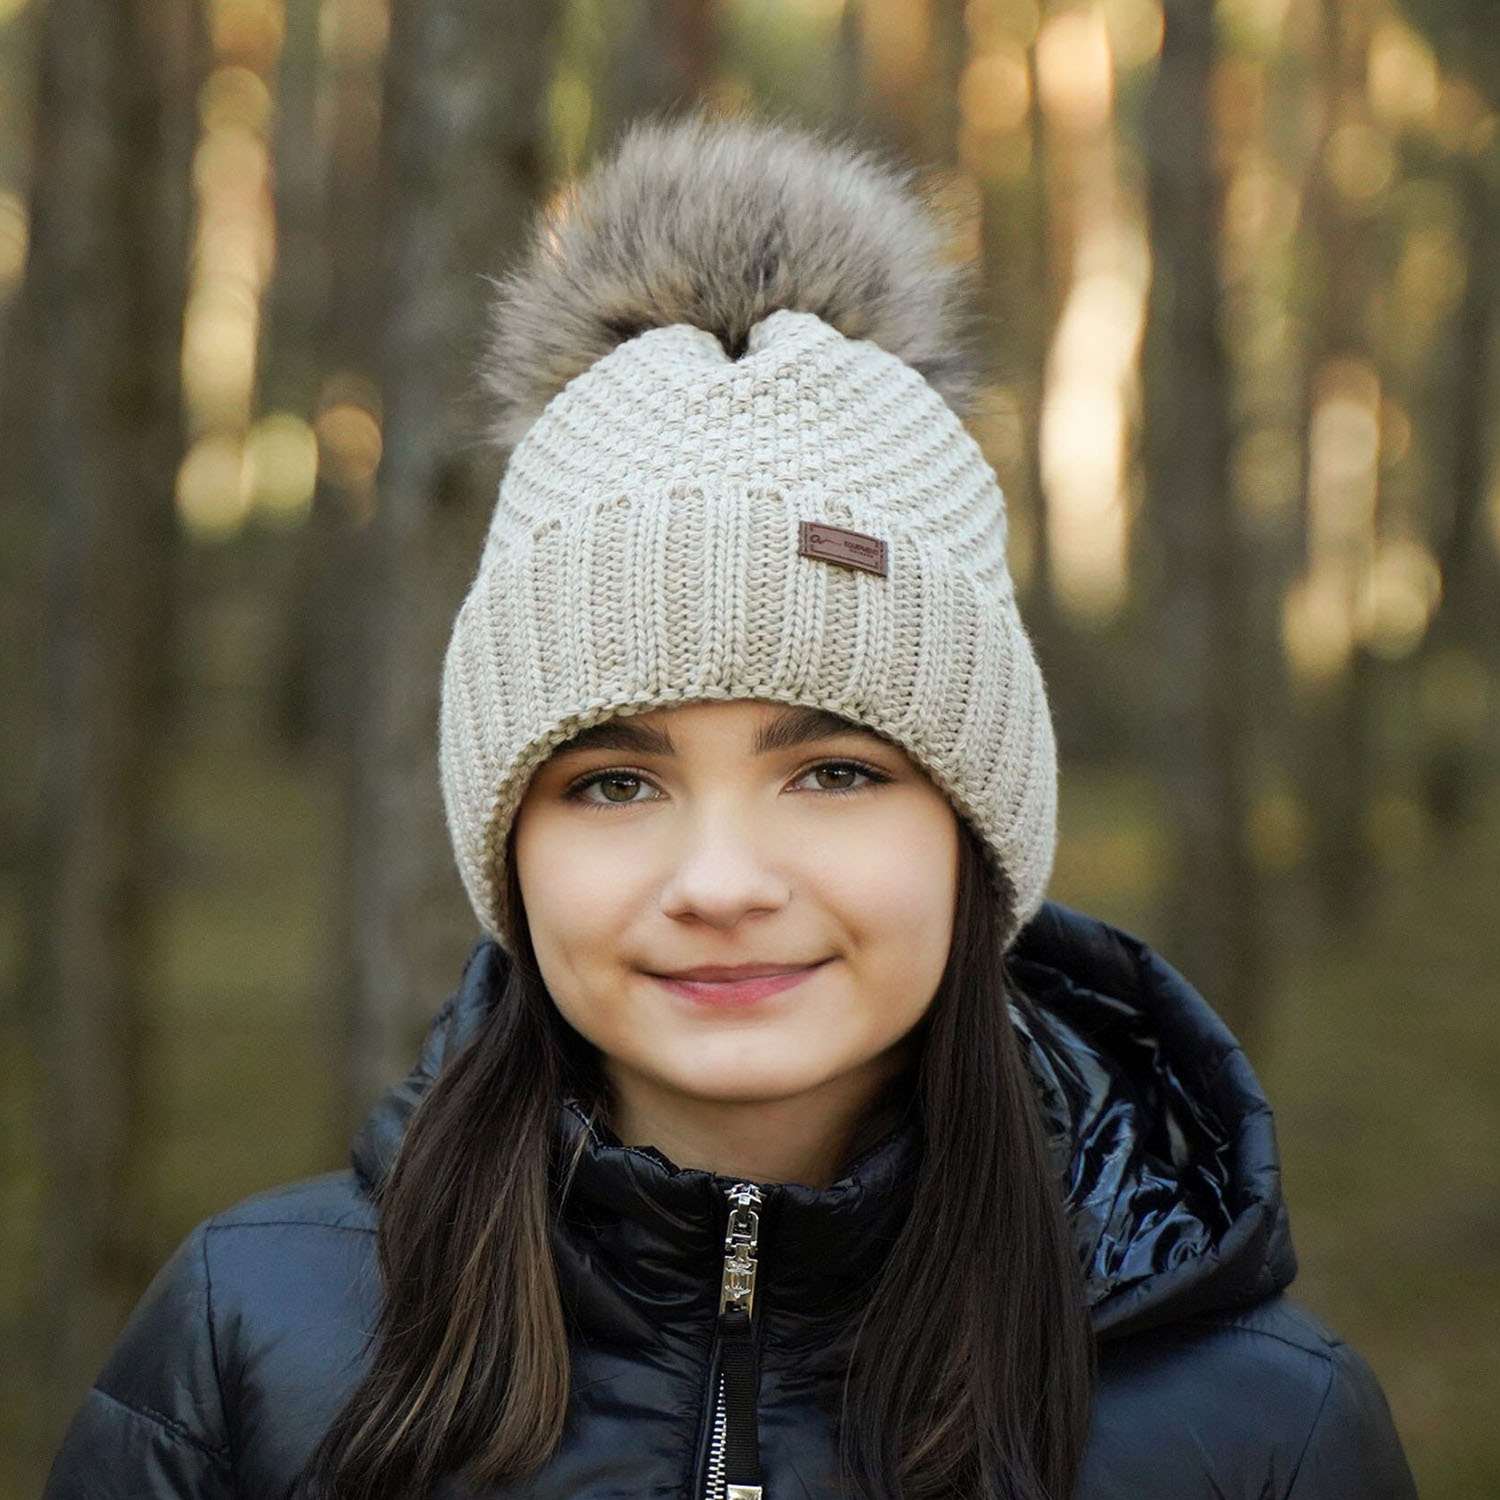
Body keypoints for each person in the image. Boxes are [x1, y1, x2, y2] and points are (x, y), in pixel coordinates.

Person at [42, 112, 1418, 1500]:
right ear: (507, 844)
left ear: (975, 829)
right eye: (616, 783)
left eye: (833, 773)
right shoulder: (251, 1349)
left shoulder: (1262, 1432)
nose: (720, 880)